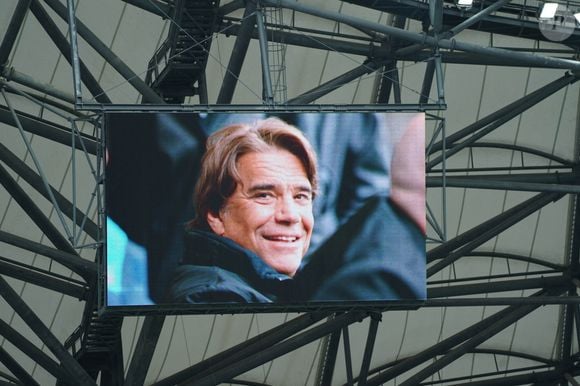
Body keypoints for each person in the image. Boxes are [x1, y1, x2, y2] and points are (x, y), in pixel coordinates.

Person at [169, 116, 426, 304]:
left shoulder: (262, 288)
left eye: (302, 196)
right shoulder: (212, 298)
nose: (290, 215)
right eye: (265, 196)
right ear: (215, 214)